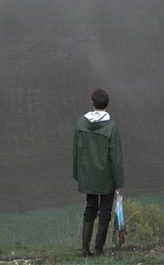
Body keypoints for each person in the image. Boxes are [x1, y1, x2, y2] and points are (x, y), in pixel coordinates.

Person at [73, 88, 125, 256]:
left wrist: (78, 174)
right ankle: (98, 249)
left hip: (88, 176)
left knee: (90, 208)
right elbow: (115, 158)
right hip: (107, 179)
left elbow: (76, 152)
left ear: (92, 102)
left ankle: (84, 248)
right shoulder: (111, 127)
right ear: (107, 105)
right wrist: (119, 183)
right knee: (104, 212)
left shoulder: (81, 124)